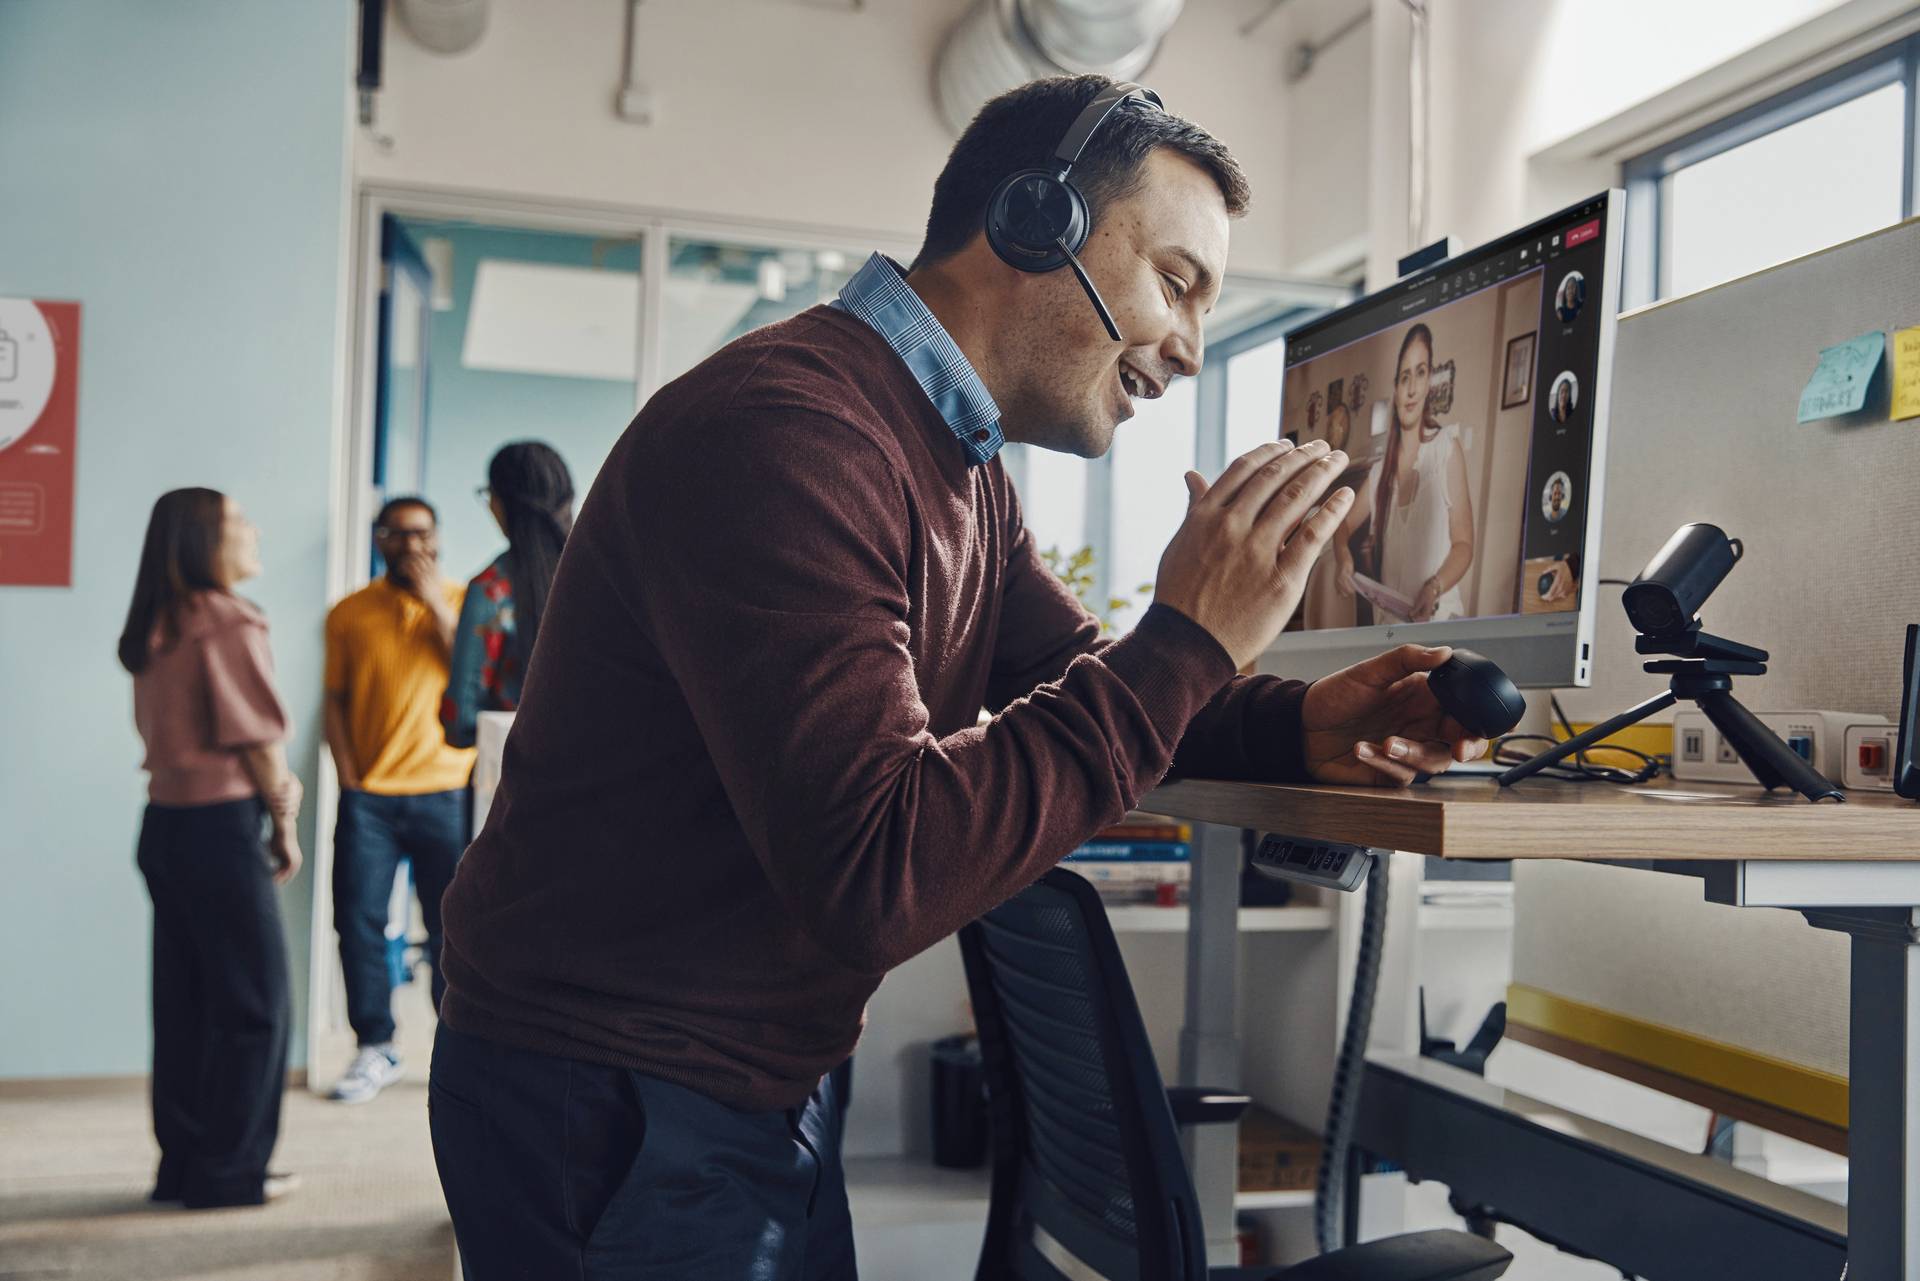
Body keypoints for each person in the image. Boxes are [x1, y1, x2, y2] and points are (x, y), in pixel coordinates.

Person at [431, 75, 1484, 1280]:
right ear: (1036, 224)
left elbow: (1074, 672)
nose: (1190, 350)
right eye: (1177, 283)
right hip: (612, 1091)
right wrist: (1191, 639)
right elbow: (879, 867)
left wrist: (1296, 724)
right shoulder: (792, 434)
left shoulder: (951, 459)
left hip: (732, 1073)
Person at [119, 488, 301, 1209]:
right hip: (221, 828)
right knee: (257, 1007)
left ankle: (186, 1165)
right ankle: (230, 1174)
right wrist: (283, 819)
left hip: (165, 827)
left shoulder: (159, 621)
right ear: (202, 540)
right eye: (237, 521)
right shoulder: (227, 618)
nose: (253, 530)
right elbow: (257, 738)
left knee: (186, 1004)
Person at [322, 496, 474, 1103]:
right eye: (399, 534)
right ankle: (374, 1045)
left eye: (423, 534)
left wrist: (433, 598)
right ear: (379, 540)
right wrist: (349, 774)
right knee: (357, 920)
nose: (412, 545)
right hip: (371, 800)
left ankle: (456, 1048)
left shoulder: (465, 602)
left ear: (438, 540)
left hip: (445, 790)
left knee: (452, 927)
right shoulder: (348, 613)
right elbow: (334, 698)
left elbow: (469, 670)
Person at [1333, 323, 1476, 623]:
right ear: (1396, 389)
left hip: (1440, 626)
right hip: (1391, 631)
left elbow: (1464, 544)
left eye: (1421, 373)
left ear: (1429, 383)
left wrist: (1433, 588)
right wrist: (1342, 555)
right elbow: (1341, 525)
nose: (1411, 389)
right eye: (1405, 377)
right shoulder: (1380, 472)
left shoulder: (1446, 449)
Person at [440, 442, 575, 748]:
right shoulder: (609, 574)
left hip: (520, 775)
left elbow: (459, 722)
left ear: (502, 503)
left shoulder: (491, 590)